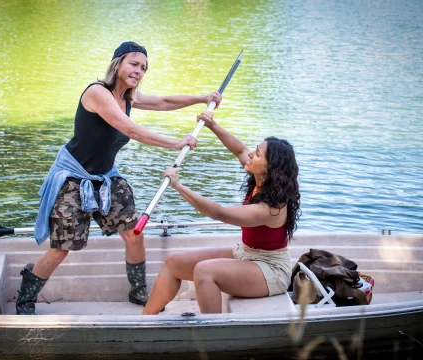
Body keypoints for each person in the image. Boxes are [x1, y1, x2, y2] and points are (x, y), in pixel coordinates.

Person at [16, 41, 222, 315]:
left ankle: (137, 292)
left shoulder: (128, 97)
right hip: (74, 180)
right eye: (134, 64)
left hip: (106, 178)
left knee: (134, 235)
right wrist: (175, 142)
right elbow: (130, 129)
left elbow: (164, 101)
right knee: (61, 249)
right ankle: (25, 298)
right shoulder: (97, 92)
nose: (139, 71)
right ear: (118, 64)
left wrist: (202, 98)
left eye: (144, 68)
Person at [142, 111, 301, 314]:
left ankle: (212, 332)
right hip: (246, 253)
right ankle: (145, 320)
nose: (251, 153)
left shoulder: (271, 208)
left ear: (271, 169)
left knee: (204, 271)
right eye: (256, 149)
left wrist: (178, 186)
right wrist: (212, 124)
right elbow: (239, 149)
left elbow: (220, 213)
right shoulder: (260, 177)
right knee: (173, 262)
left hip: (270, 270)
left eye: (258, 153)